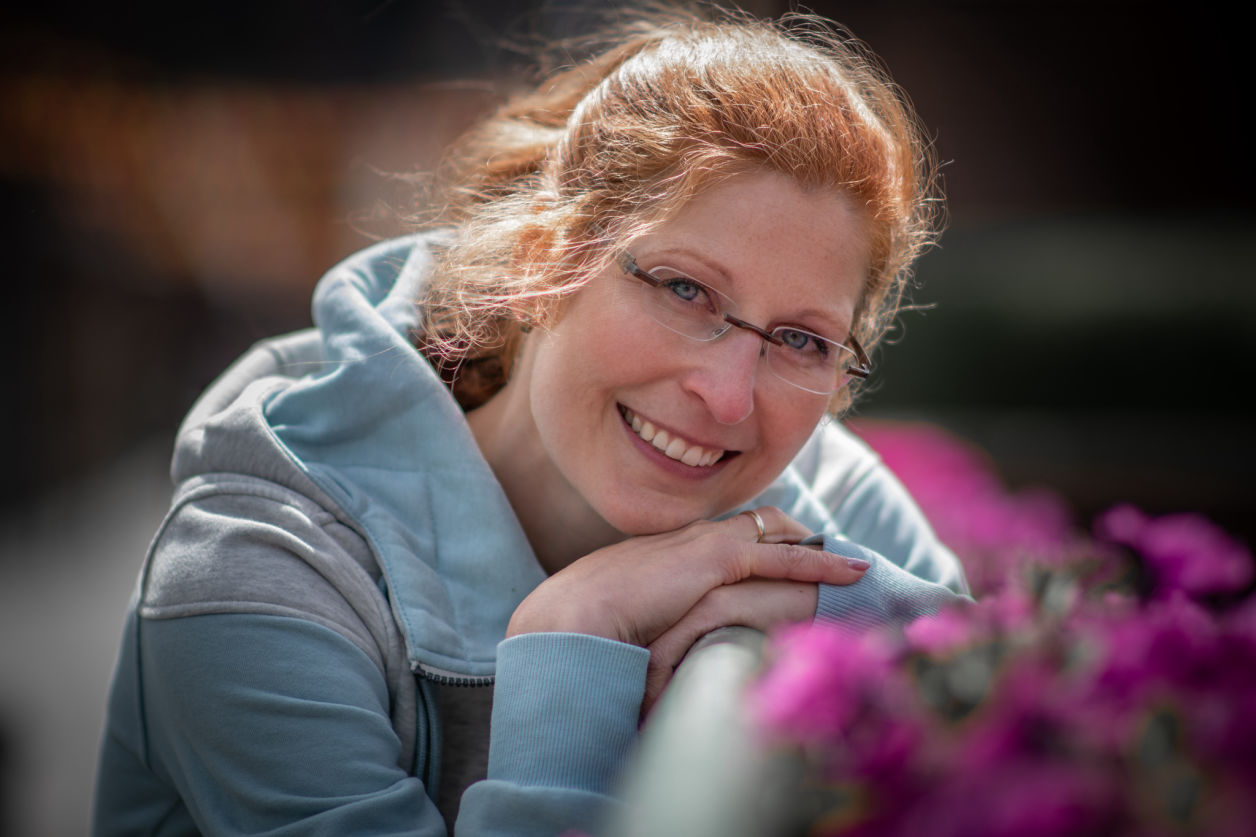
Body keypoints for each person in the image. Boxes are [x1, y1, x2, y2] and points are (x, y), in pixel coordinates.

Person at [93, 5, 969, 835]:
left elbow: (1010, 697)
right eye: (684, 288)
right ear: (544, 254)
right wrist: (574, 641)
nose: (730, 395)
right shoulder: (258, 571)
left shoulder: (827, 492)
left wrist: (849, 609)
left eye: (800, 339)